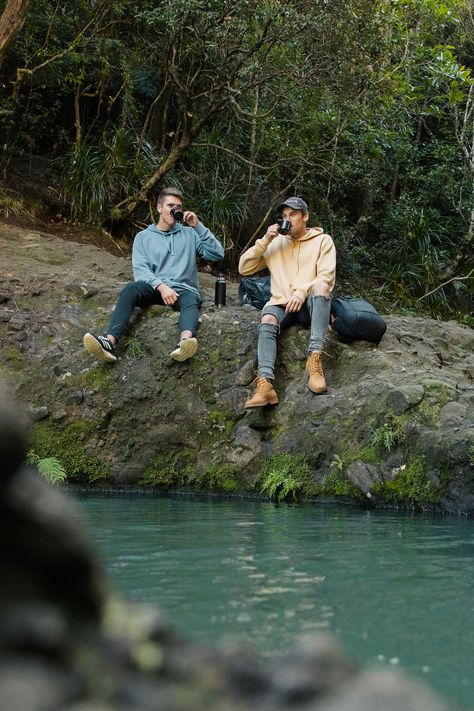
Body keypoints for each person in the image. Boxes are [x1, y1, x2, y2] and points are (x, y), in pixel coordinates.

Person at [83, 187, 224, 363]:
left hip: (183, 290)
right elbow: (141, 270)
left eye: (178, 206)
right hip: (156, 289)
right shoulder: (143, 237)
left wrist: (198, 226)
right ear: (159, 208)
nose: (175, 210)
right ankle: (109, 341)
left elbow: (218, 254)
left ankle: (185, 342)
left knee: (191, 299)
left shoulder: (190, 234)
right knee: (131, 289)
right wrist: (162, 287)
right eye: (171, 205)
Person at [239, 196, 336, 407]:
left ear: (305, 216)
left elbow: (326, 277)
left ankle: (314, 359)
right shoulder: (276, 243)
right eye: (284, 216)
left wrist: (301, 292)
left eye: (292, 214)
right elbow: (244, 268)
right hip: (282, 303)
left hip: (308, 303)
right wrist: (265, 240)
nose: (287, 219)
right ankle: (265, 386)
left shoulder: (323, 241)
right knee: (268, 317)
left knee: (322, 287)